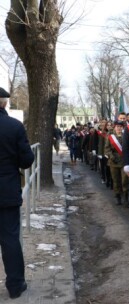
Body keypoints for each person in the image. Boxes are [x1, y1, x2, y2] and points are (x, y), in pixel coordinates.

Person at [0, 87, 34, 299]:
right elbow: (27, 159)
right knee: (11, 240)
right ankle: (15, 286)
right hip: (6, 192)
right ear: (4, 103)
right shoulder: (14, 126)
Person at [105, 120, 129, 207]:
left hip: (124, 161)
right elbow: (107, 149)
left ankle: (126, 198)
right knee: (116, 180)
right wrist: (111, 156)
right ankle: (117, 196)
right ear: (114, 127)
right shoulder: (110, 136)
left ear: (123, 127)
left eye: (120, 127)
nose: (119, 128)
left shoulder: (126, 136)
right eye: (117, 127)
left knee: (125, 181)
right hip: (114, 162)